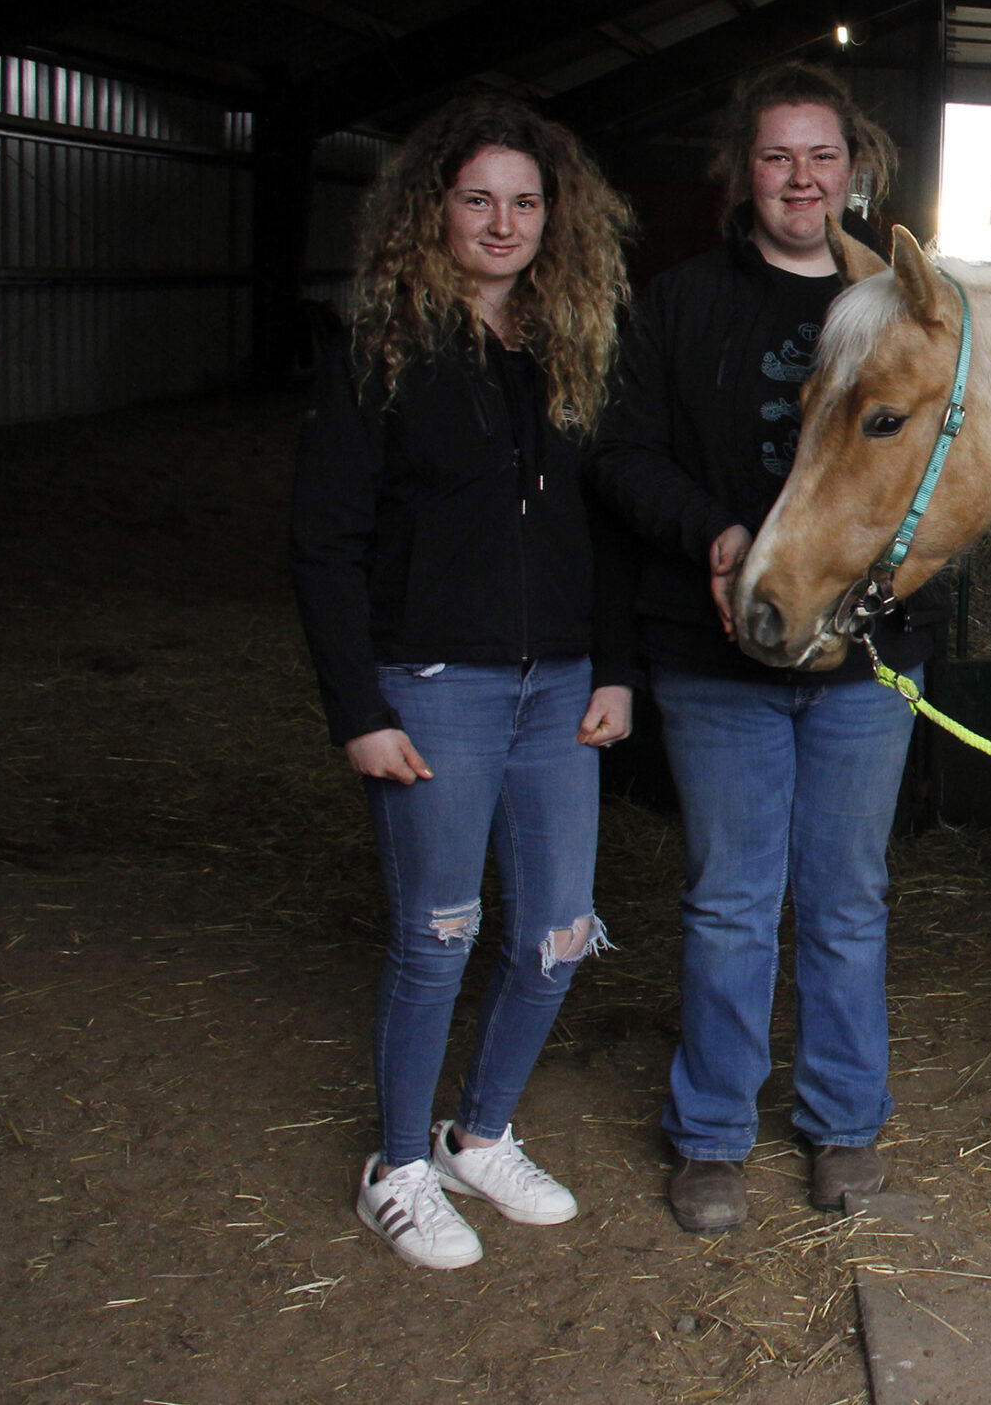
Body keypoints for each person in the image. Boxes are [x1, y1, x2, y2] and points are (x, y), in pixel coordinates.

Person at [589, 60, 949, 1233]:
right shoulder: (683, 302)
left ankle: (843, 1124)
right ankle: (711, 1134)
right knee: (731, 900)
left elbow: (951, 470)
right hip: (716, 656)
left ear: (858, 169)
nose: (802, 178)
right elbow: (621, 455)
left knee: (847, 899)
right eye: (777, 155)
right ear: (744, 173)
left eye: (822, 155)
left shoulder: (909, 308)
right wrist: (720, 530)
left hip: (866, 660)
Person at [290, 95, 636, 1270]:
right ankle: (395, 1164)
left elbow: (607, 523)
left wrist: (618, 671)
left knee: (556, 931)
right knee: (439, 932)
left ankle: (476, 1131)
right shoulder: (380, 350)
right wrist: (360, 711)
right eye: (478, 197)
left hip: (561, 687)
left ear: (556, 217)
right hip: (434, 682)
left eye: (525, 201)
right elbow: (324, 542)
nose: (503, 221)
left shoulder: (571, 345)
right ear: (432, 209)